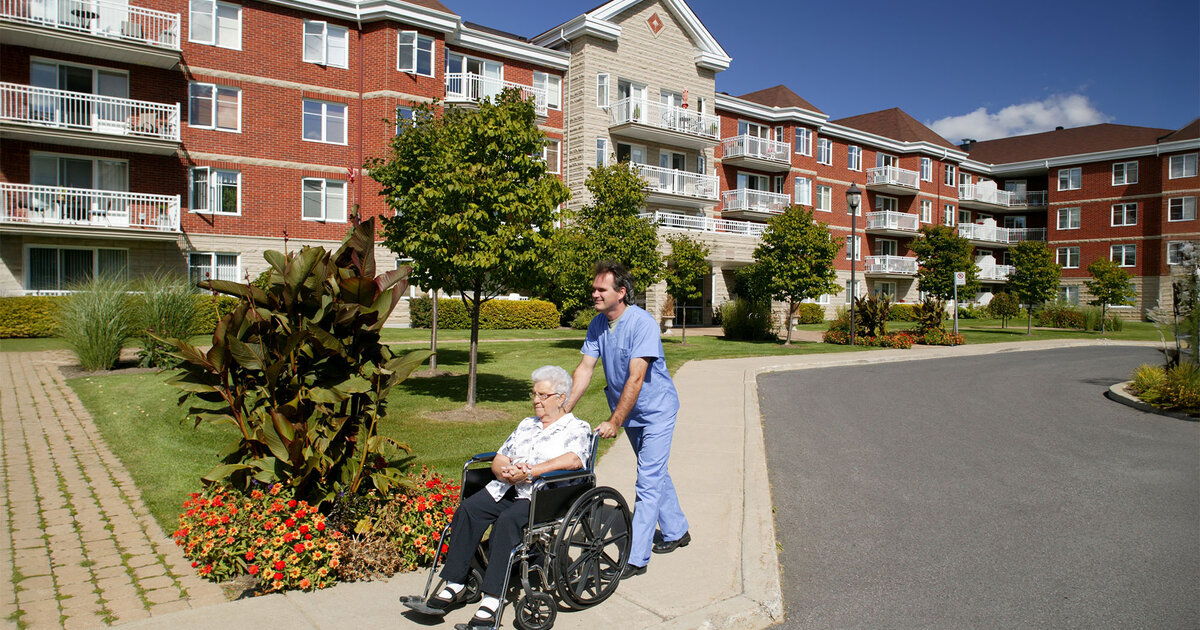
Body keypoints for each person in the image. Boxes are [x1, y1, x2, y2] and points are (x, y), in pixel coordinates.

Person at [404, 365, 592, 628]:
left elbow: (574, 460)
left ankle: (492, 600)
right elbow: (501, 455)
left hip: (543, 497)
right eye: (534, 394)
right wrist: (503, 471)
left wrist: (531, 471)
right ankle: (455, 584)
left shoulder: (577, 427)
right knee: (469, 509)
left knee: (507, 522)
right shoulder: (527, 424)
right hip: (508, 488)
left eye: (542, 395)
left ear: (561, 397)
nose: (536, 400)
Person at [564, 260, 690, 579]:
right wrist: (562, 410)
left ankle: (635, 558)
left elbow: (636, 378)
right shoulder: (598, 324)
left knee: (647, 479)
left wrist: (615, 421)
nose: (594, 293)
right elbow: (584, 369)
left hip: (656, 410)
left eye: (600, 289)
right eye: (593, 288)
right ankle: (677, 531)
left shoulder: (642, 323)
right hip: (630, 412)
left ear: (621, 292)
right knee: (655, 472)